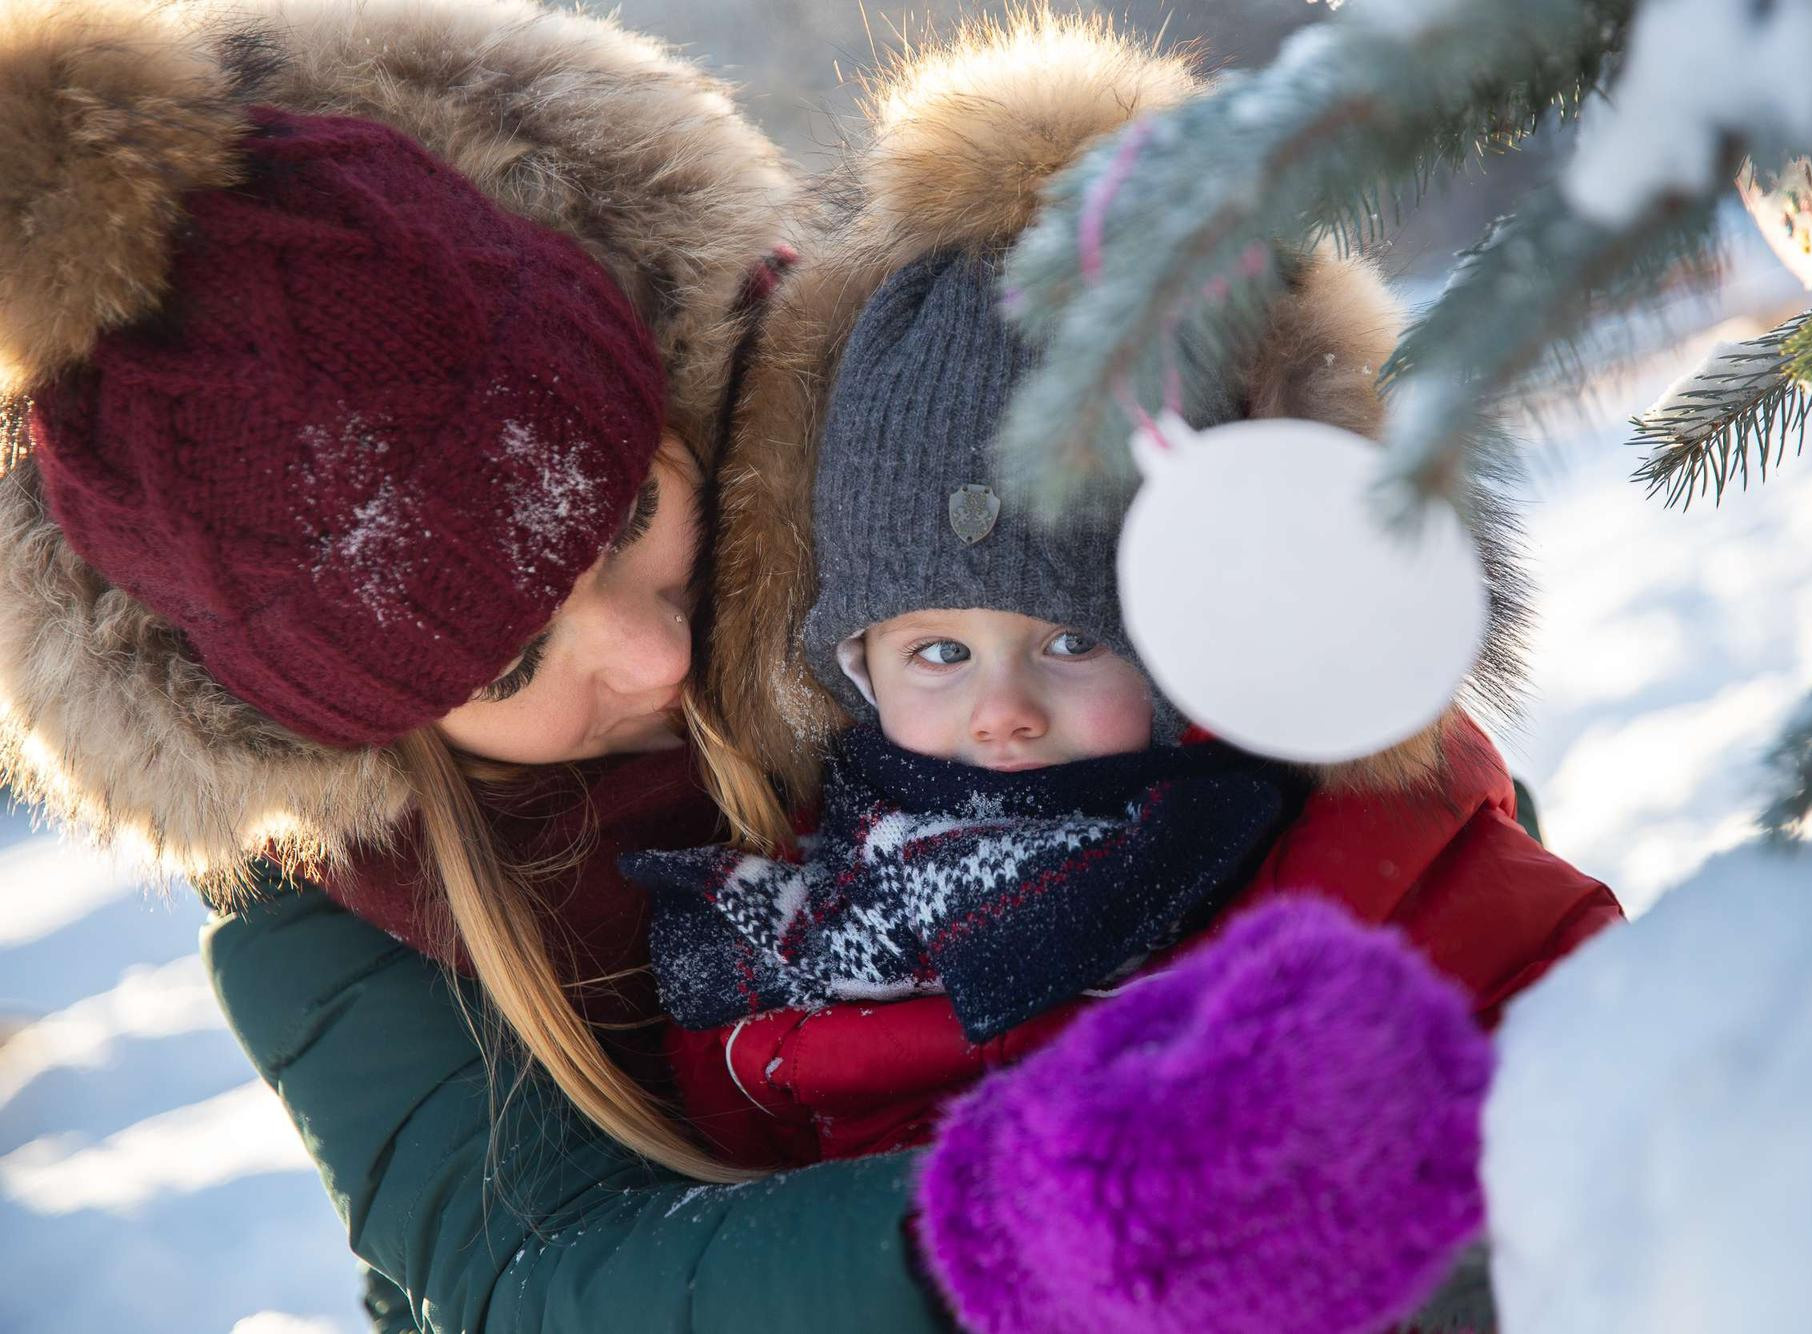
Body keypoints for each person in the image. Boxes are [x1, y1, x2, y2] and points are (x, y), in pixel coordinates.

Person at [0, 6, 1595, 1329]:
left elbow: (1389, 786)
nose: (647, 649)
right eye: (514, 659)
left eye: (631, 509)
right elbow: (536, 1279)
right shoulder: (330, 912)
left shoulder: (852, 453)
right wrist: (1000, 1222)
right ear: (369, 731)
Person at [625, 243, 1619, 1169]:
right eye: (938, 653)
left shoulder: (1381, 872)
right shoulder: (782, 967)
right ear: (858, 671)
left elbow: (1610, 1103)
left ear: (1184, 654)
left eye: (1073, 642)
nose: (1002, 710)